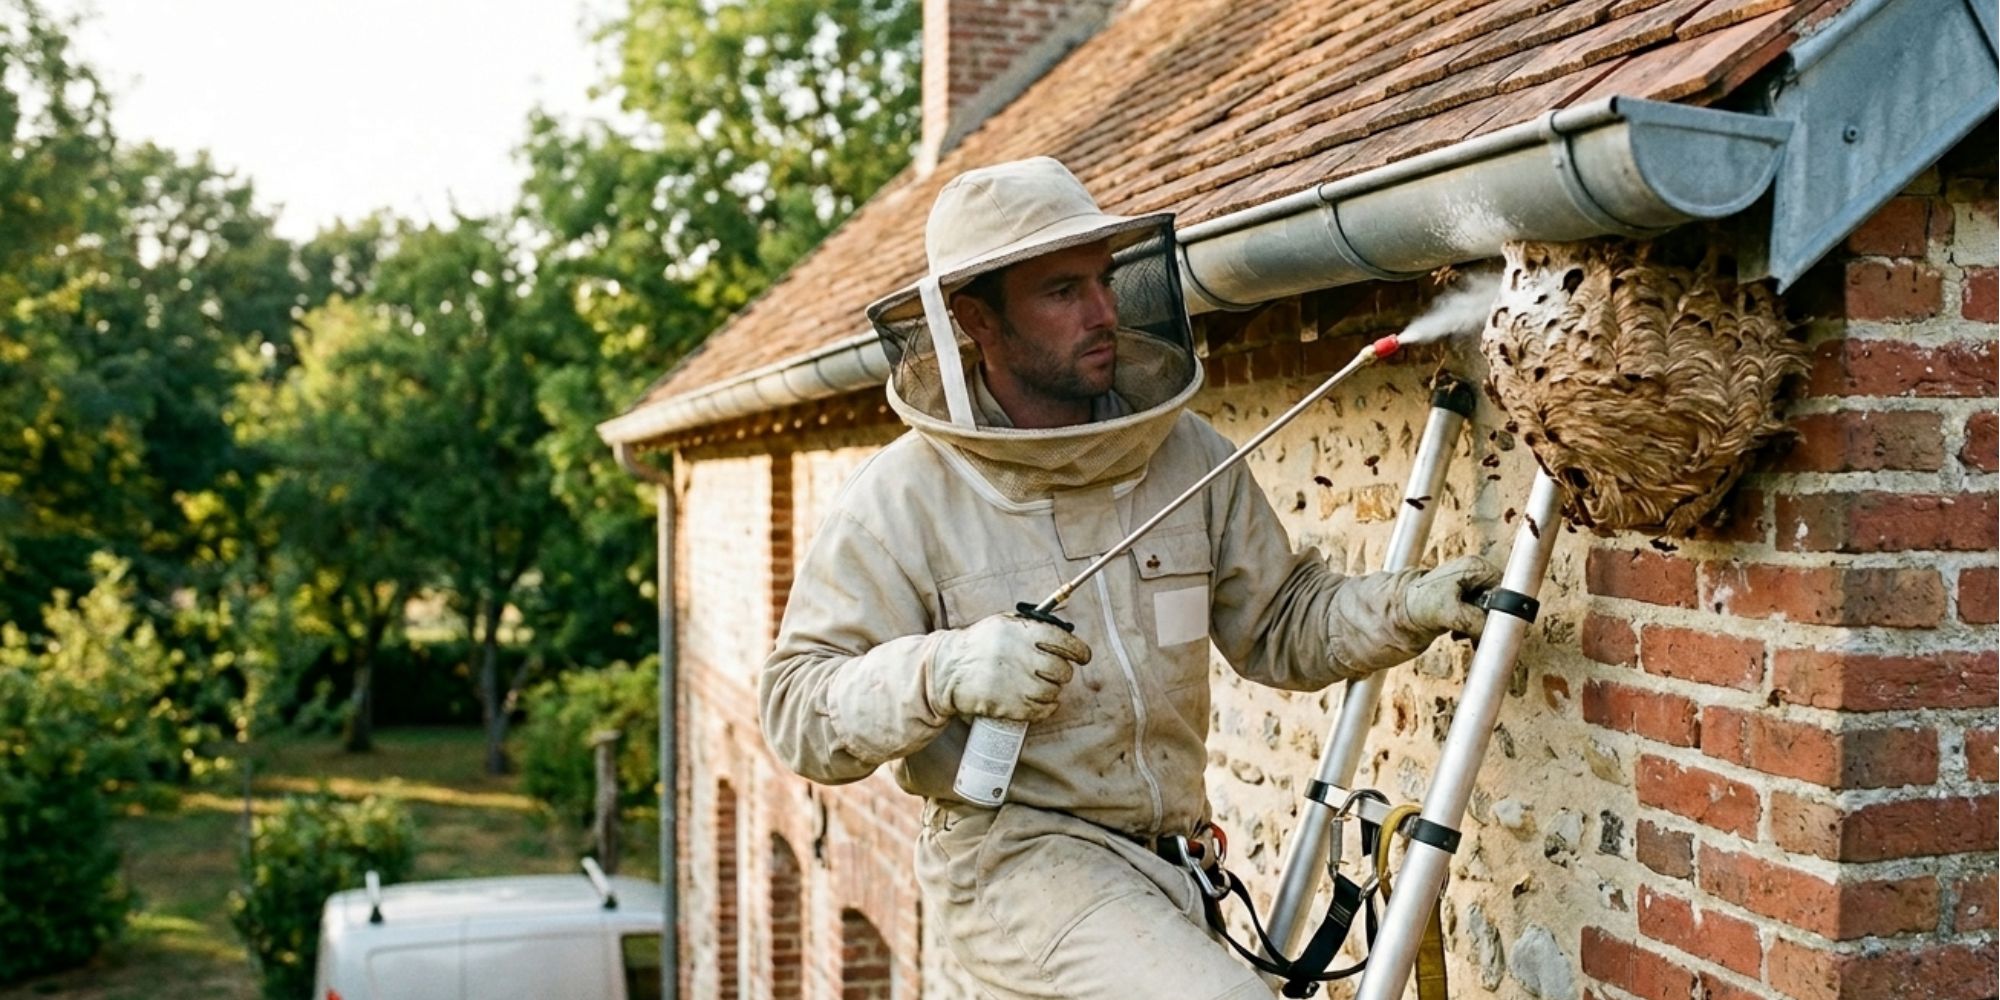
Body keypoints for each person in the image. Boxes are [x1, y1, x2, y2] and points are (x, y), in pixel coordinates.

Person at [760, 156, 1497, 1000]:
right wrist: (945, 670)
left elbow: (1284, 625)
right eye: (1062, 291)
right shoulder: (901, 501)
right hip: (1012, 864)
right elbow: (796, 711)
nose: (1104, 312)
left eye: (1104, 281)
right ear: (976, 320)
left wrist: (1411, 604)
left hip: (1172, 868)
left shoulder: (1187, 457)